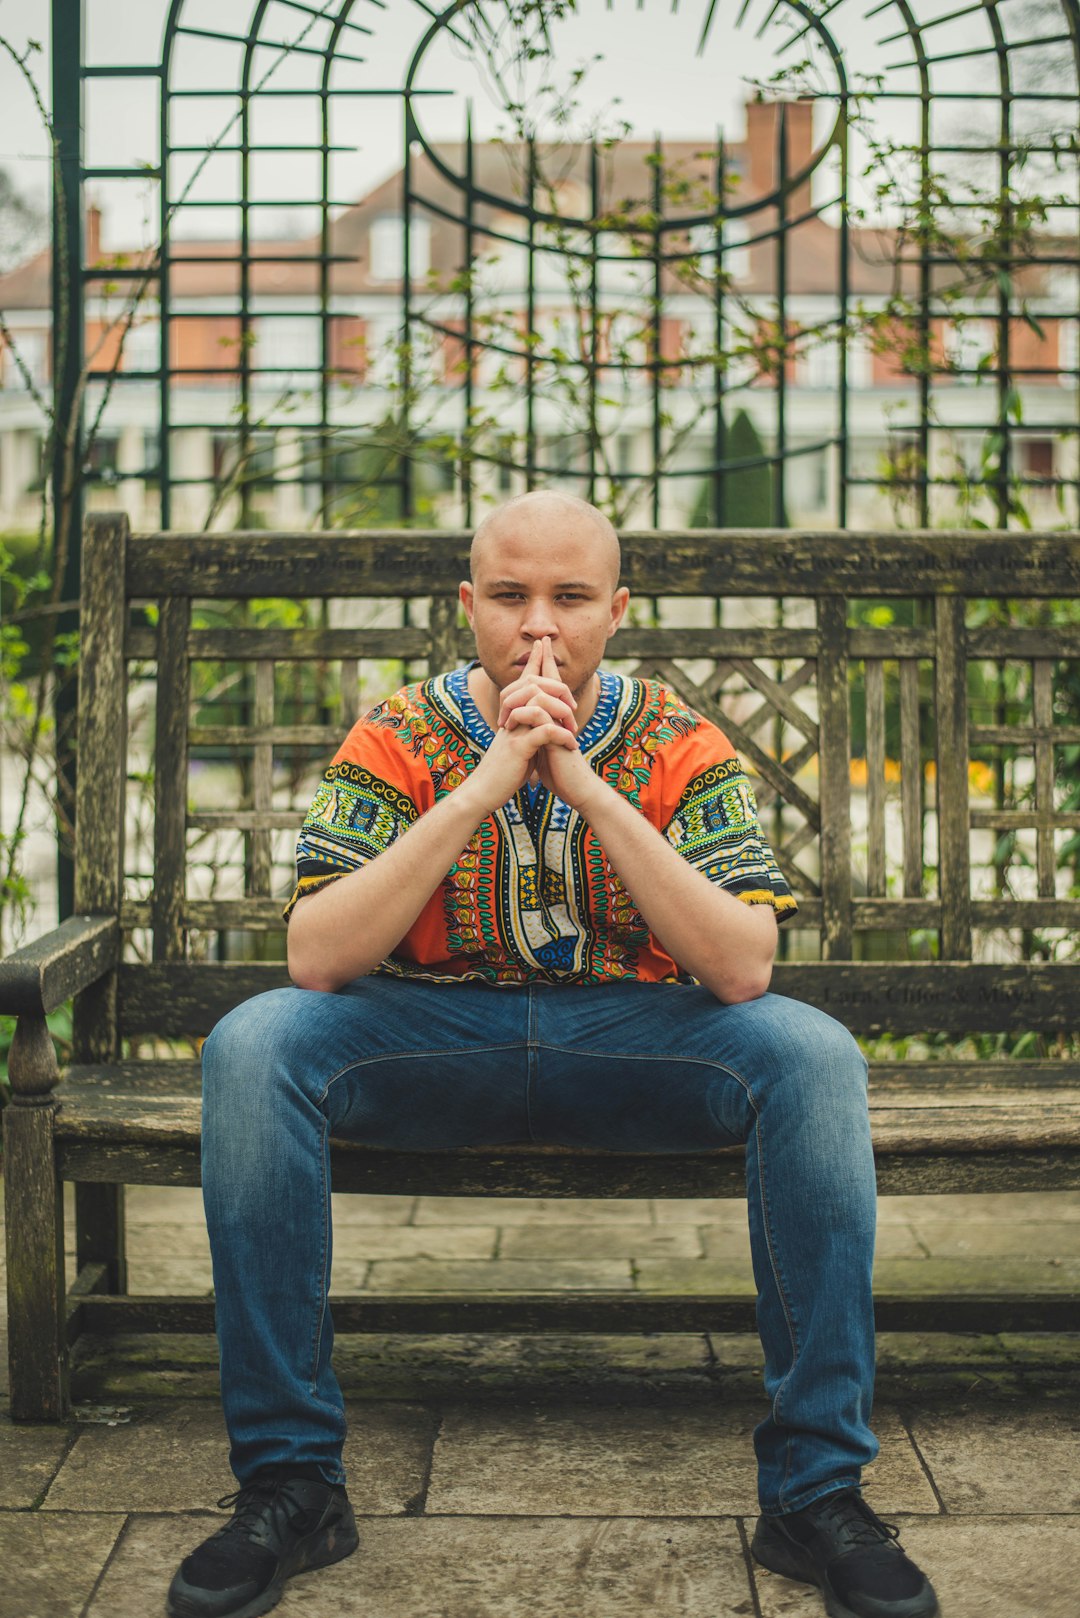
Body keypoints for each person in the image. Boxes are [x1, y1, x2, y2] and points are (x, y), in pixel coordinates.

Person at [167, 491, 938, 1618]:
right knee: (252, 1046)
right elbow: (318, 956)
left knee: (813, 1056)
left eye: (571, 599)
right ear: (465, 605)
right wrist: (486, 781)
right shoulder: (396, 734)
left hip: (639, 1046)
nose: (541, 630)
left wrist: (583, 782)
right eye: (513, 598)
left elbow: (741, 967)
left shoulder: (678, 736)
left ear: (616, 610)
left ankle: (815, 1488)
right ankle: (290, 1482)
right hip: (429, 1038)